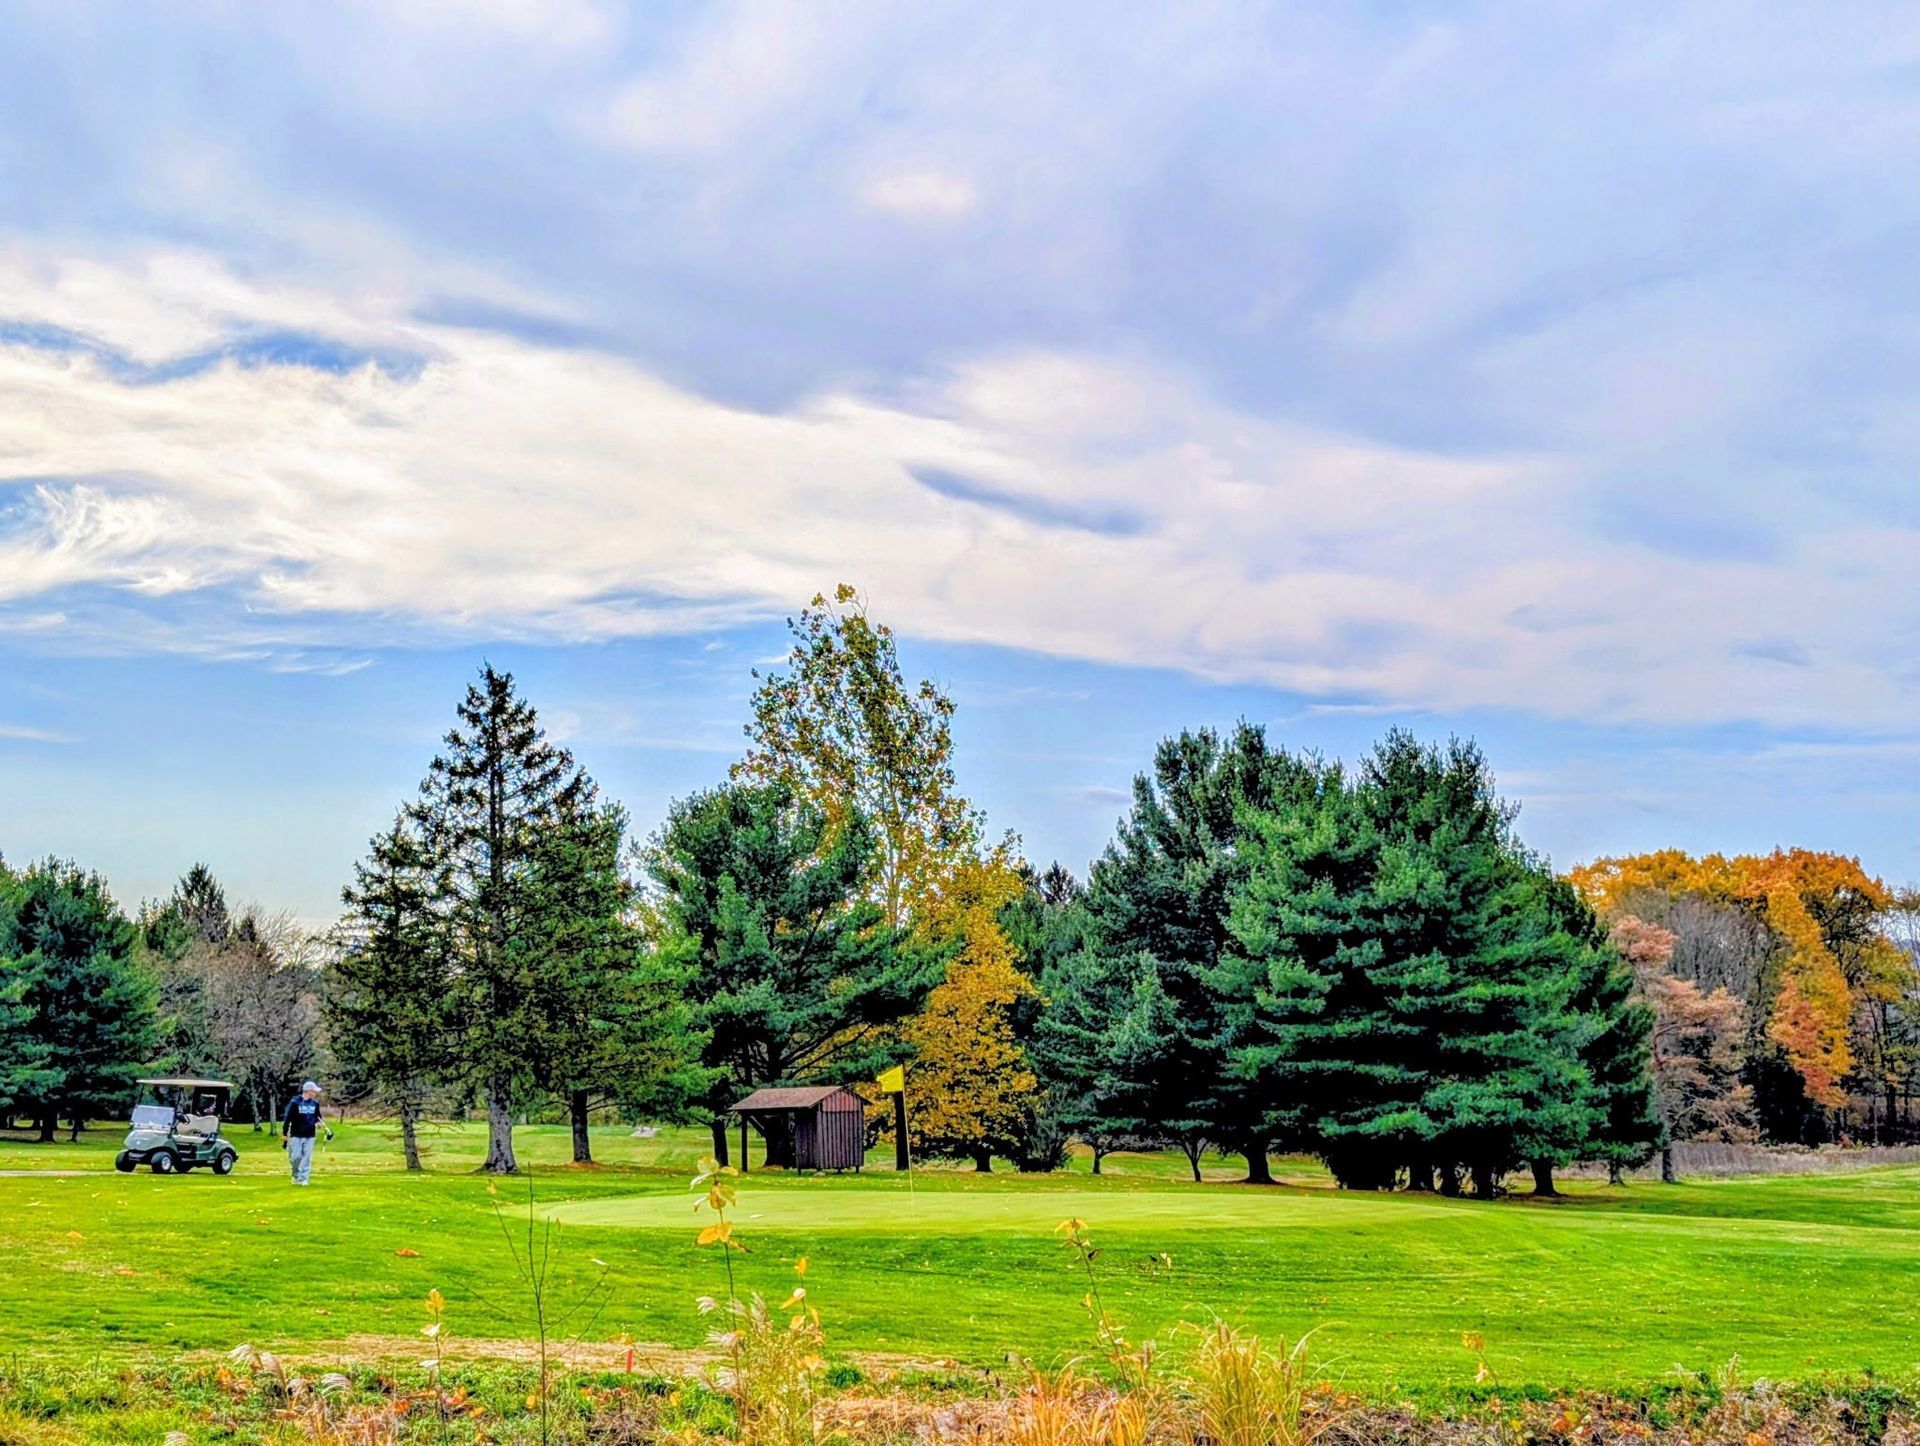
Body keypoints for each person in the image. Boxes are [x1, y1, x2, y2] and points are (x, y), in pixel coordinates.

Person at [281, 1080, 333, 1185]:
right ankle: (295, 1175)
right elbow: (287, 1119)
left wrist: (319, 1124)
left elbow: (318, 1118)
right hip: (296, 1134)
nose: (315, 1093)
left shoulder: (315, 1104)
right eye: (314, 1091)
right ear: (308, 1091)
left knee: (306, 1158)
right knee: (296, 1157)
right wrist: (284, 1134)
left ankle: (303, 1179)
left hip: (310, 1135)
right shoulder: (295, 1102)